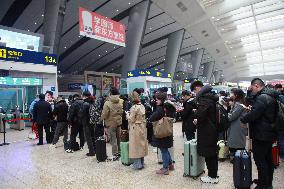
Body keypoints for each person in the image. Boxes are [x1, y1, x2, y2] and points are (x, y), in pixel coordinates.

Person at [240, 78, 278, 189]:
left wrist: (244, 119)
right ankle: (267, 181)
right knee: (267, 159)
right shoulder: (270, 96)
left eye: (252, 88)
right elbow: (262, 113)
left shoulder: (262, 97)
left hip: (261, 134)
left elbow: (254, 114)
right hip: (268, 132)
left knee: (260, 159)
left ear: (256, 86)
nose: (252, 91)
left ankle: (263, 185)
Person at [191, 81, 219, 184]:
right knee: (212, 153)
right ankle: (214, 174)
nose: (194, 92)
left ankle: (212, 176)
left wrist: (196, 117)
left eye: (194, 90)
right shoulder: (211, 96)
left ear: (198, 88)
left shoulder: (204, 99)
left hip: (207, 130)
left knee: (209, 153)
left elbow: (201, 115)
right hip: (213, 129)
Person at [149, 92, 176, 175]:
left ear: (161, 100)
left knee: (163, 150)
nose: (156, 101)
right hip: (167, 131)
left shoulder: (161, 109)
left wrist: (150, 117)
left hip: (162, 132)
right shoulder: (168, 106)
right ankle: (170, 165)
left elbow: (152, 118)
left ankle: (165, 168)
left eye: (157, 100)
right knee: (165, 149)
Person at [127, 91, 148, 170]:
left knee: (135, 146)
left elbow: (131, 119)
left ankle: (137, 164)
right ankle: (142, 163)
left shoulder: (134, 108)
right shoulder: (142, 106)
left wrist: (127, 115)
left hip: (135, 127)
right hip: (142, 126)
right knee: (141, 144)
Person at [101, 87, 123, 161]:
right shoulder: (121, 101)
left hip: (110, 123)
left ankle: (115, 154)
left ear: (110, 93)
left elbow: (104, 114)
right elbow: (122, 111)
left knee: (113, 139)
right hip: (119, 122)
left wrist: (101, 119)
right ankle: (120, 152)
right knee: (119, 138)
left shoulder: (107, 103)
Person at [227, 88, 247, 163]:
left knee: (237, 143)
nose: (231, 95)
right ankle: (236, 157)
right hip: (237, 127)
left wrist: (226, 115)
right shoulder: (238, 103)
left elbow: (232, 116)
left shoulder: (239, 105)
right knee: (236, 142)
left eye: (232, 93)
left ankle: (238, 158)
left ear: (236, 95)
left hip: (237, 127)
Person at [81, 91, 96, 157]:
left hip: (86, 123)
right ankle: (95, 150)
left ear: (84, 96)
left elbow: (81, 114)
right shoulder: (93, 102)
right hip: (93, 122)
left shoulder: (85, 104)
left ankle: (91, 152)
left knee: (88, 138)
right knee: (93, 137)